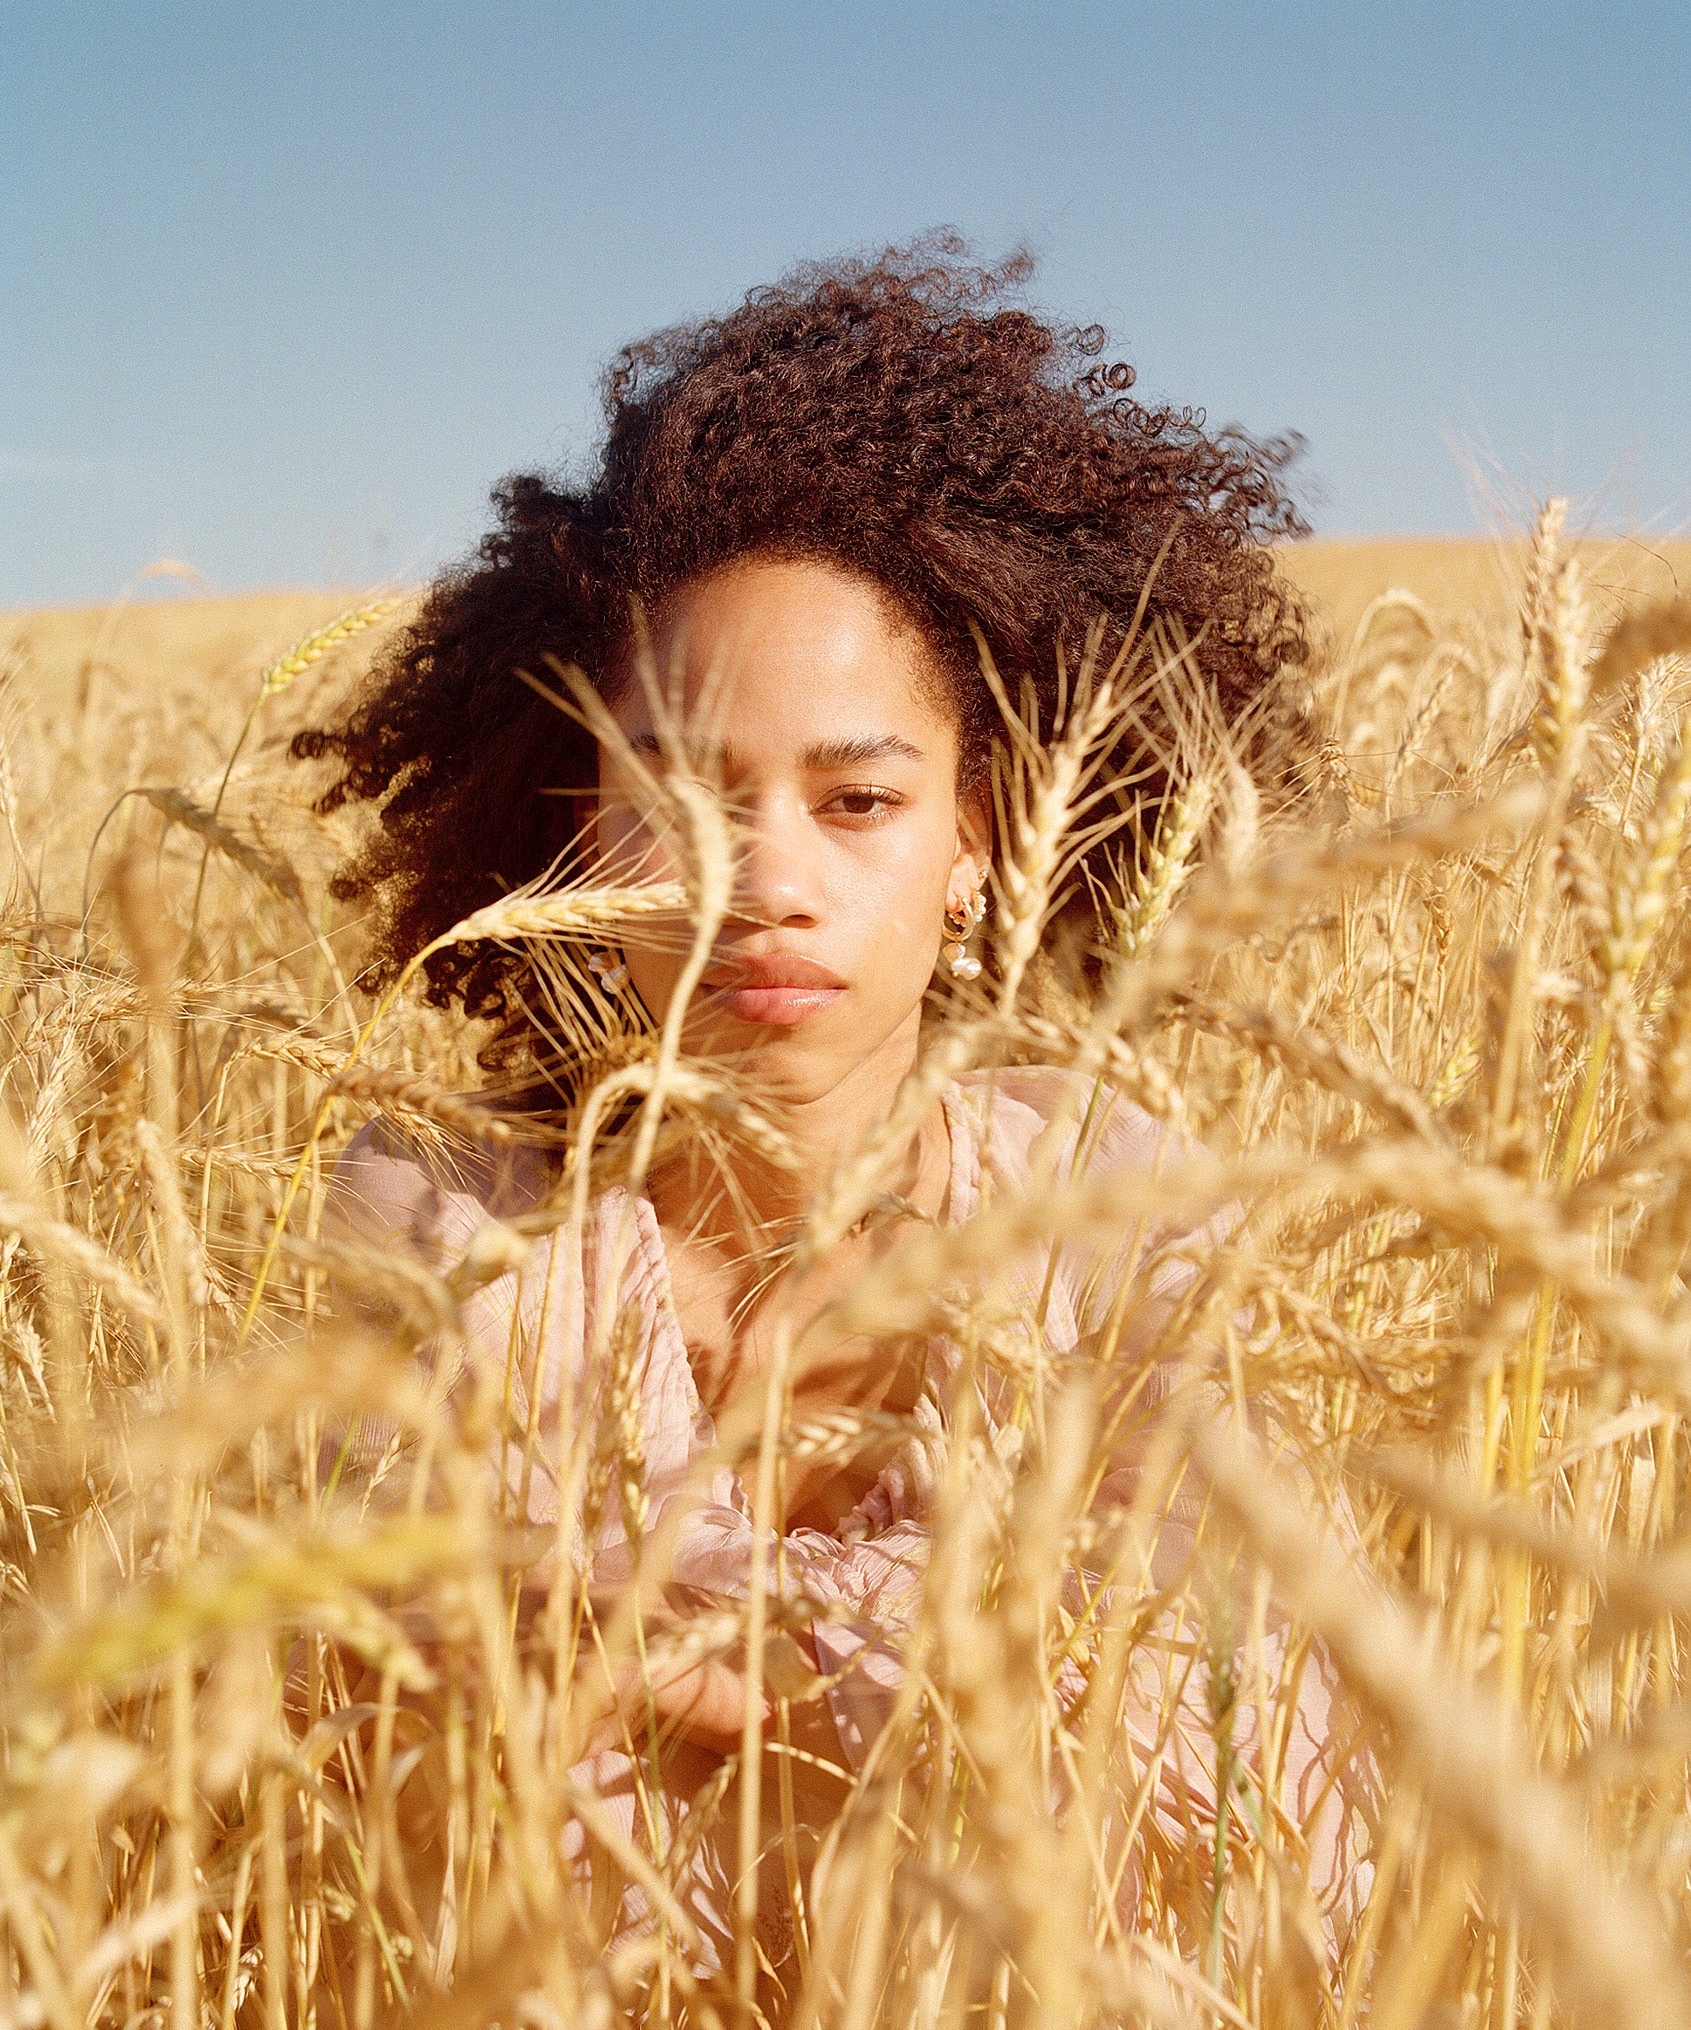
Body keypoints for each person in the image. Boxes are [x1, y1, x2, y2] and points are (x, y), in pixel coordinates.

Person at [298, 240, 1358, 2006]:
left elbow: (1231, 1754)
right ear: (568, 835)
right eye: (672, 799)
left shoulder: (1113, 1201)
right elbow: (372, 1757)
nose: (764, 882)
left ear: (982, 852)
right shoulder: (442, 1221)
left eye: (859, 798)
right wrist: (904, 1694)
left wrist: (682, 1670)